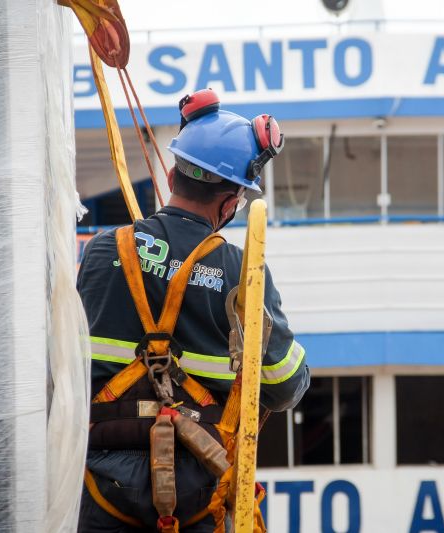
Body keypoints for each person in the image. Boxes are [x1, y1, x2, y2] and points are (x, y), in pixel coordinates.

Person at [76, 89, 310, 532]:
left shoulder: (103, 250)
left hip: (100, 485)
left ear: (170, 175)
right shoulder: (243, 269)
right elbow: (283, 386)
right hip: (199, 490)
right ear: (230, 202)